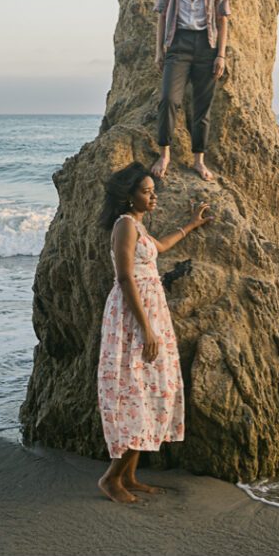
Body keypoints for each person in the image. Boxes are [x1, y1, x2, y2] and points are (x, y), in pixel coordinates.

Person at [97, 161, 212, 504]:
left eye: (152, 190)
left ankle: (130, 475)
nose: (153, 196)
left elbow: (159, 248)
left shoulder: (138, 227)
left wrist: (190, 225)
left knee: (150, 391)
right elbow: (124, 277)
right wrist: (145, 328)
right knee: (134, 393)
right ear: (129, 196)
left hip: (150, 313)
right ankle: (111, 479)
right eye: (146, 192)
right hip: (133, 318)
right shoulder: (124, 226)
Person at [152, 0, 231, 181]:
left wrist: (221, 55)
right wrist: (159, 50)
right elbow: (161, 16)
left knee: (201, 107)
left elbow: (222, 20)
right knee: (168, 100)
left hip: (206, 48)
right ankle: (164, 154)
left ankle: (199, 160)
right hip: (178, 45)